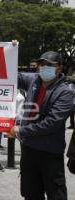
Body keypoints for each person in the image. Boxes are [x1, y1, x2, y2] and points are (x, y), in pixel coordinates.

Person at [9, 51, 74, 200]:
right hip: (29, 150)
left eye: (49, 65)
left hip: (49, 153)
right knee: (30, 193)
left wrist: (22, 129)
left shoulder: (65, 92)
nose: (44, 67)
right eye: (42, 64)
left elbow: (51, 123)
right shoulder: (33, 80)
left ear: (59, 68)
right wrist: (10, 52)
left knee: (56, 195)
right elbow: (12, 75)